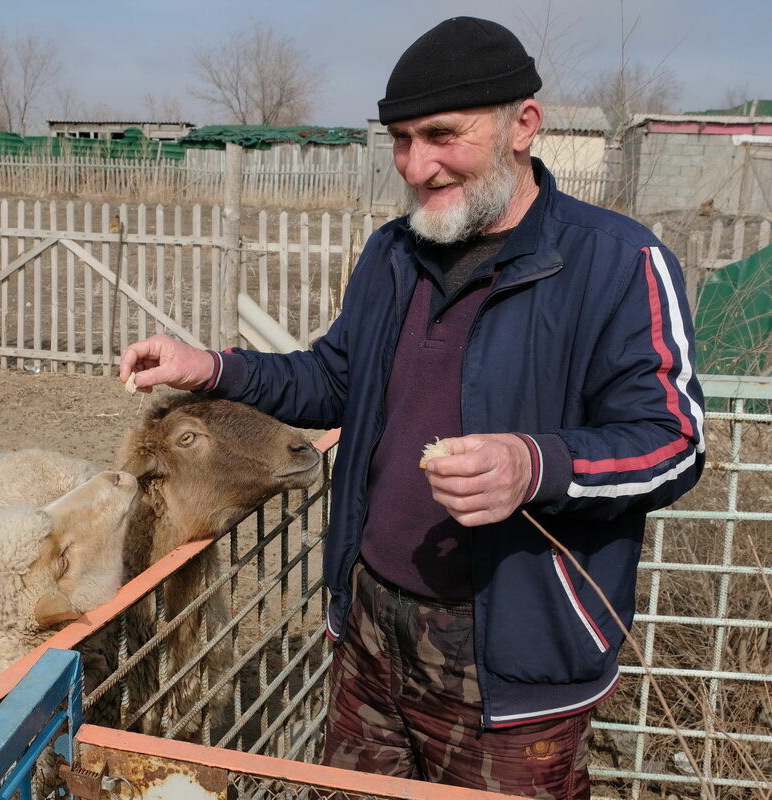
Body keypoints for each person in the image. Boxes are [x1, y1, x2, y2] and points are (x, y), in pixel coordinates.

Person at [119, 16, 705, 799]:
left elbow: (672, 443)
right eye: (399, 138)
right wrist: (211, 367)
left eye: (441, 134)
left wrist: (534, 467)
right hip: (371, 625)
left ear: (521, 125)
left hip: (510, 655)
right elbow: (334, 379)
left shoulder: (618, 263)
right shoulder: (393, 254)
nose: (416, 164)